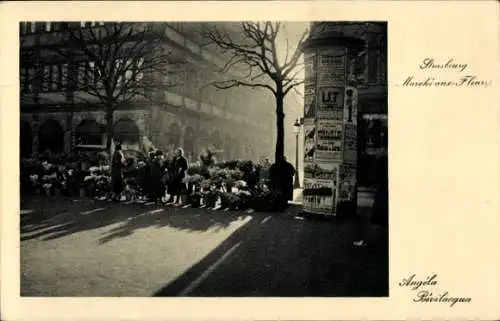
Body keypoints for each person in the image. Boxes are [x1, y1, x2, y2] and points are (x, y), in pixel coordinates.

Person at [353, 152, 388, 247]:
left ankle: (368, 241)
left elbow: (378, 176)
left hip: (383, 194)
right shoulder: (384, 159)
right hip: (384, 192)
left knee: (376, 218)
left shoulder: (383, 159)